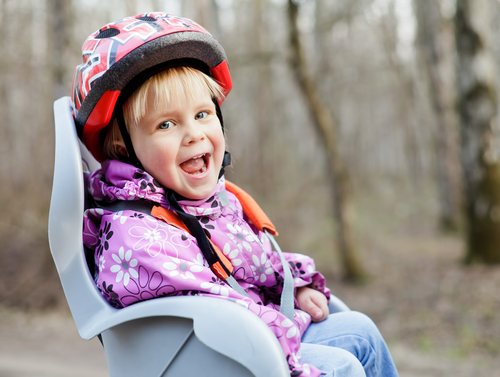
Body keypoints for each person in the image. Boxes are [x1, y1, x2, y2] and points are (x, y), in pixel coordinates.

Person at [76, 12, 398, 377]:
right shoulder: (135, 236)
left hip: (258, 338)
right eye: (166, 124)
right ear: (124, 147)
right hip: (214, 359)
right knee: (342, 366)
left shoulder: (204, 207)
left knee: (362, 333)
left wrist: (291, 284)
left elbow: (248, 260)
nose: (194, 134)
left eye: (202, 114)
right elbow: (222, 314)